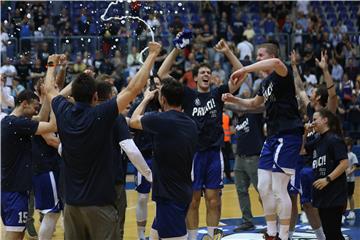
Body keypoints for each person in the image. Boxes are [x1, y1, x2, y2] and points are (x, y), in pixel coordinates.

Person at [45, 42, 161, 240]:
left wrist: (50, 65)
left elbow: (49, 90)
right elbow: (133, 89)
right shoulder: (102, 114)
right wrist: (152, 55)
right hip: (100, 204)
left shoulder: (64, 112)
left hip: (72, 206)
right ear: (96, 95)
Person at [157, 37, 244, 240]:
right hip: (193, 154)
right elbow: (161, 74)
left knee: (214, 200)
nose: (206, 74)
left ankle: (213, 236)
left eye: (208, 72)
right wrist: (177, 50)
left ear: (212, 78)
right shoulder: (186, 94)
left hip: (214, 153)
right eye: (202, 73)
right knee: (193, 200)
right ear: (195, 78)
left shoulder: (218, 93)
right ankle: (192, 237)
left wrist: (227, 52)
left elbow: (242, 74)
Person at [223, 42, 304, 240]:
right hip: (273, 137)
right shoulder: (264, 84)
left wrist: (243, 69)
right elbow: (254, 103)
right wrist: (233, 100)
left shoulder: (281, 73)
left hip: (288, 134)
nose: (258, 59)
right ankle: (271, 232)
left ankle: (284, 236)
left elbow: (276, 61)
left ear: (270, 56)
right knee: (262, 187)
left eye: (260, 55)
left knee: (278, 188)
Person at [129, 77, 198, 240]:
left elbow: (133, 121)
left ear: (163, 99)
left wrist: (145, 99)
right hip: (183, 190)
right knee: (155, 236)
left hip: (169, 195)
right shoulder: (191, 124)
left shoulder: (160, 120)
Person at [95, 80, 152, 240]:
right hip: (112, 181)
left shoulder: (84, 115)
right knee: (116, 226)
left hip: (88, 182)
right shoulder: (115, 117)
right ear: (112, 96)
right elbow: (131, 150)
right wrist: (148, 174)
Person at [290, 50, 336, 240]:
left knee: (311, 205)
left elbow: (332, 95)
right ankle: (287, 235)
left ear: (318, 96)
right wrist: (294, 67)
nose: (310, 92)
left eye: (314, 91)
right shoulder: (310, 108)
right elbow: (299, 88)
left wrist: (325, 70)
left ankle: (322, 236)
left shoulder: (328, 112)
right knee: (292, 200)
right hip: (301, 160)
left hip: (318, 163)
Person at [1, 90, 57, 240]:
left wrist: (48, 94)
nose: (36, 111)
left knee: (18, 233)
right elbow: (52, 126)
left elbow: (41, 116)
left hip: (13, 187)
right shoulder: (17, 124)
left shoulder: (11, 122)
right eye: (34, 107)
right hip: (14, 190)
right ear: (24, 104)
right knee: (13, 235)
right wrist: (57, 99)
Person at [305, 109, 349, 240]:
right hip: (322, 195)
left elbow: (344, 163)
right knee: (329, 233)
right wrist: (305, 133)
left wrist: (327, 179)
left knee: (333, 233)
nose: (312, 123)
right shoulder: (317, 141)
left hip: (334, 194)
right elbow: (302, 150)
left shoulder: (334, 139)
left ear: (325, 120)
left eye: (315, 119)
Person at [225, 89, 265, 231]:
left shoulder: (253, 114)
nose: (238, 108)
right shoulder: (238, 120)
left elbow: (258, 105)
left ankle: (273, 221)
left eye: (240, 105)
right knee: (241, 191)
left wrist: (231, 100)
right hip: (239, 159)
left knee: (262, 192)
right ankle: (247, 220)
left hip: (254, 158)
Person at [128, 75, 161, 240]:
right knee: (142, 198)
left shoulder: (165, 104)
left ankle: (157, 231)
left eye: (158, 85)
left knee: (160, 197)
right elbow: (130, 125)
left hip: (162, 158)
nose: (155, 88)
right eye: (152, 85)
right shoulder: (138, 105)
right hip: (143, 158)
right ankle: (141, 235)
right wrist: (145, 99)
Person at [344, 137, 358, 220]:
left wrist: (350, 171)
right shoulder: (342, 154)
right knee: (343, 197)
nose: (346, 147)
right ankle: (343, 212)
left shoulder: (352, 155)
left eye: (348, 145)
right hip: (342, 180)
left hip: (350, 180)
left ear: (350, 146)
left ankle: (352, 212)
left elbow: (355, 166)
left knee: (350, 195)